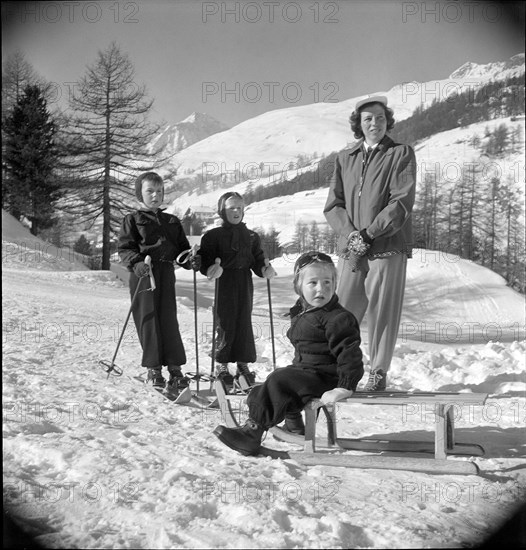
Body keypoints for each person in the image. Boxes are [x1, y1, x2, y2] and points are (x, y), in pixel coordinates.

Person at [213, 252, 364, 456]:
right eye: (313, 283)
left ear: (335, 284)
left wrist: (345, 386)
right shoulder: (305, 311)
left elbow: (350, 354)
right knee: (271, 385)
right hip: (308, 371)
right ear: (299, 287)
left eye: (327, 282)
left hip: (327, 378)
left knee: (280, 381)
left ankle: (252, 433)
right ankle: (293, 426)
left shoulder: (338, 318)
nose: (321, 289)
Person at [324, 95, 416, 391]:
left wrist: (369, 234)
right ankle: (341, 369)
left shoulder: (400, 153)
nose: (374, 123)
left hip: (386, 246)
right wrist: (352, 235)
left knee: (383, 311)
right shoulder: (344, 157)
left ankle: (378, 371)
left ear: (387, 120)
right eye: (367, 119)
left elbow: (401, 202)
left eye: (379, 117)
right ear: (358, 124)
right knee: (342, 312)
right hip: (352, 248)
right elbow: (333, 205)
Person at [118, 172, 200, 390]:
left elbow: (182, 250)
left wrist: (191, 260)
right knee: (149, 318)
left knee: (168, 319)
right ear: (140, 194)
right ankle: (153, 368)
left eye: (159, 191)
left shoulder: (171, 221)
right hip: (144, 273)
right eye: (150, 191)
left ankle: (174, 367)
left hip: (165, 272)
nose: (155, 195)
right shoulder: (133, 220)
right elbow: (125, 248)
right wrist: (136, 263)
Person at [197, 192, 276, 388]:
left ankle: (243, 364)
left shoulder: (251, 236)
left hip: (244, 280)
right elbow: (204, 260)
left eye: (240, 208)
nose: (236, 211)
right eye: (231, 207)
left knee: (243, 320)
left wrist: (264, 269)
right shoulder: (213, 236)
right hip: (224, 280)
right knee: (225, 320)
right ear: (222, 211)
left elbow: (257, 260)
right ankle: (222, 365)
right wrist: (210, 269)